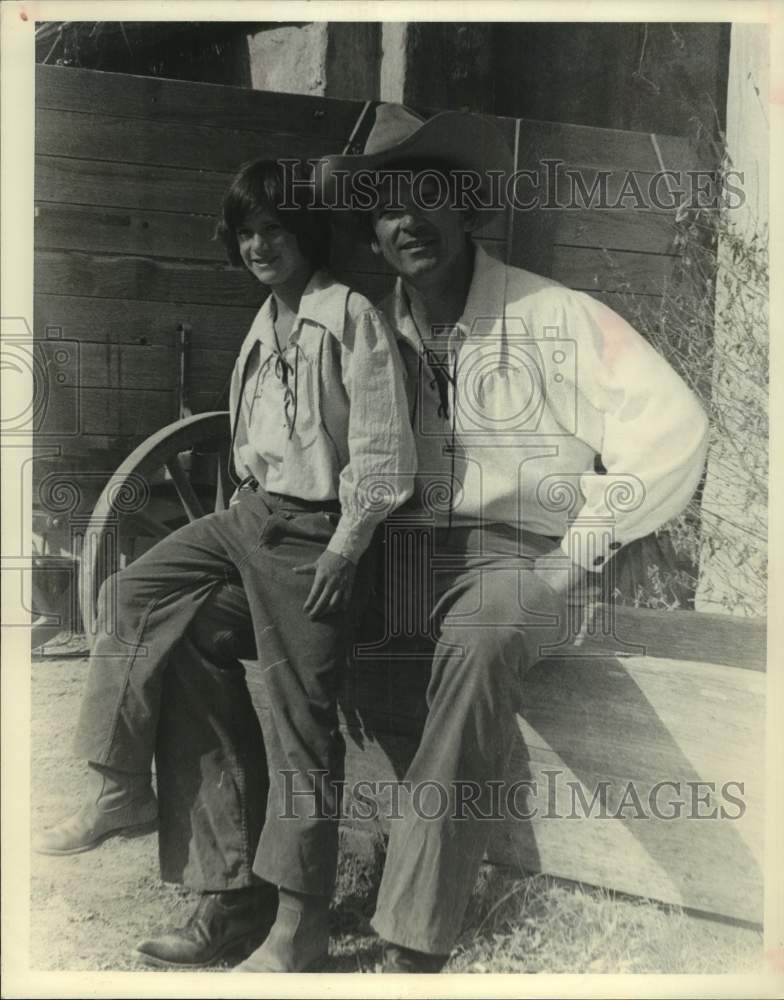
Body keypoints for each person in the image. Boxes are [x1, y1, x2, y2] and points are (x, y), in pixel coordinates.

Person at [309, 103, 710, 972]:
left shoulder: (554, 315)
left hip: (523, 556)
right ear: (372, 233)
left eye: (427, 197)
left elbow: (675, 427)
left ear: (466, 206)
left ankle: (411, 937)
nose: (407, 221)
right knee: (258, 612)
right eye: (386, 207)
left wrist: (573, 562)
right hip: (409, 555)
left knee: (485, 636)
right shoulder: (367, 333)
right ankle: (252, 894)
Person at [34, 158, 416, 973]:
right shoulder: (262, 324)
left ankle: (298, 930)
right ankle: (136, 804)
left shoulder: (350, 317)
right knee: (136, 596)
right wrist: (240, 511)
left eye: (273, 228)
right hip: (248, 517)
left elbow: (384, 452)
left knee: (304, 729)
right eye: (244, 233)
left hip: (319, 539)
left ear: (306, 231)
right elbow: (251, 445)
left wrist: (347, 546)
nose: (257, 246)